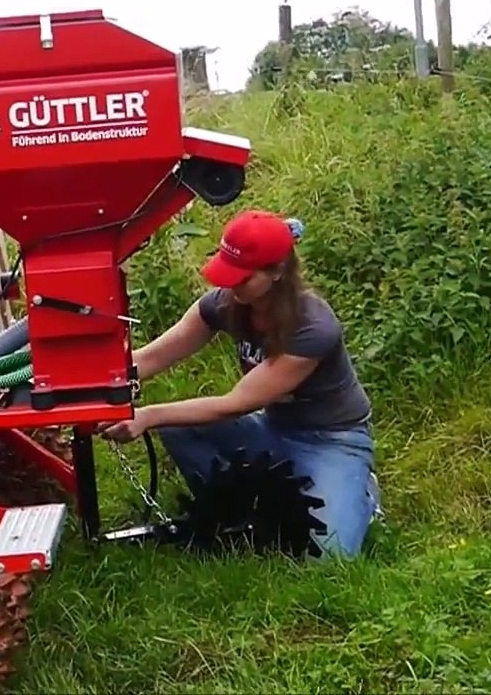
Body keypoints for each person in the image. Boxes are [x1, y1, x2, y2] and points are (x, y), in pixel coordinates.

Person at [101, 210, 381, 559]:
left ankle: (358, 490)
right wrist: (98, 382)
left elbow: (237, 403)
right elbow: (154, 357)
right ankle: (231, 511)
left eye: (242, 279)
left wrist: (146, 415)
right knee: (180, 427)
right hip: (274, 428)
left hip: (331, 442)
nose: (230, 286)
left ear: (277, 272)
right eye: (226, 275)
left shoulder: (313, 327)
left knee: (329, 556)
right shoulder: (227, 303)